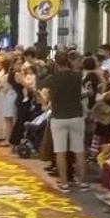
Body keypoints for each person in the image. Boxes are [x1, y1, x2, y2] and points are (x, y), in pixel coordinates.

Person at [42, 52, 87, 191]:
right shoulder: (77, 76)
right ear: (68, 61)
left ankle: (65, 183)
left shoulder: (52, 79)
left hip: (59, 116)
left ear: (55, 63)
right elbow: (79, 94)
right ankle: (82, 182)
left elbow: (47, 97)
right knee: (79, 150)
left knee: (60, 151)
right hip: (76, 115)